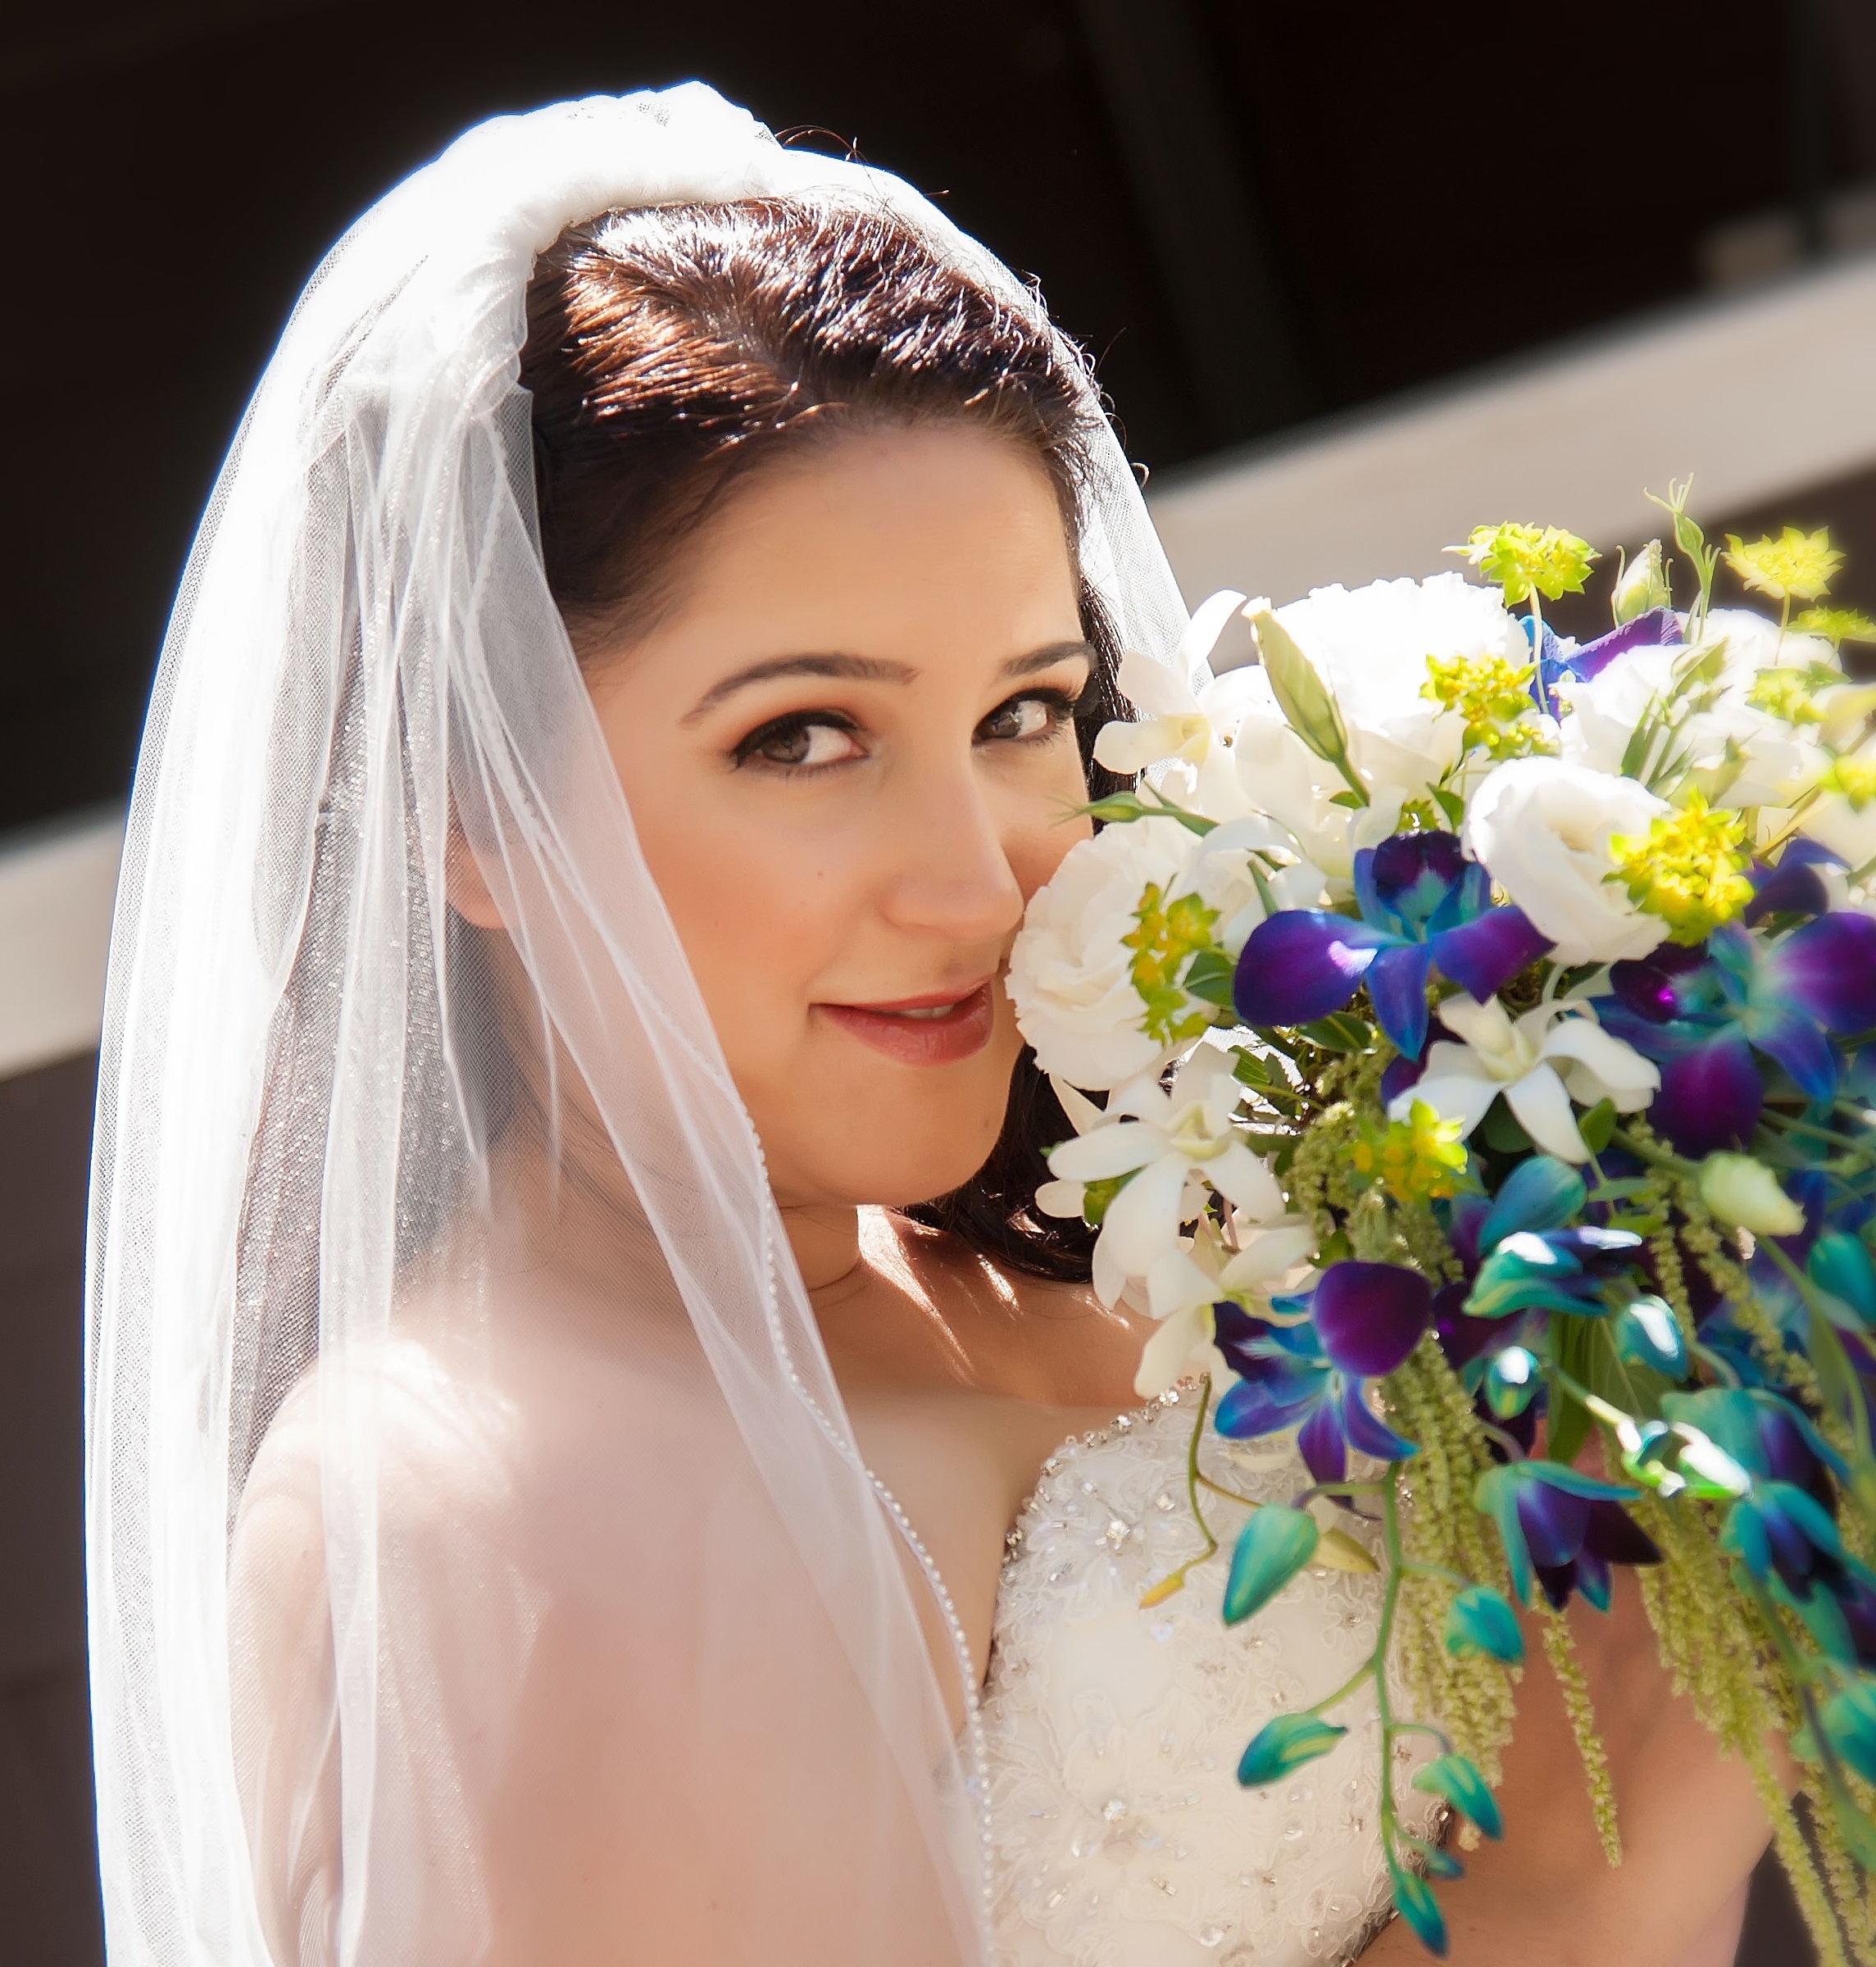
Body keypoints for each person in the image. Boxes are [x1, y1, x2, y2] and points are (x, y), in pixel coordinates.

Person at [85, 85, 1773, 1967]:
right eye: (803, 737)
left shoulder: (1052, 1252)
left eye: (1022, 713)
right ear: (471, 813)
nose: (978, 882)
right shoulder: (509, 1509)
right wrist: (1565, 1884)